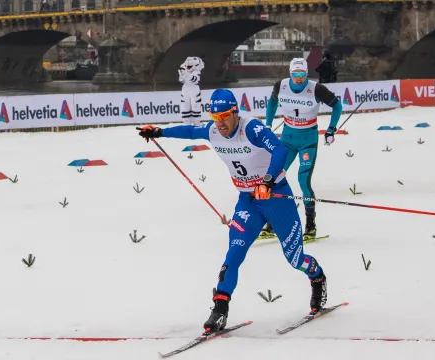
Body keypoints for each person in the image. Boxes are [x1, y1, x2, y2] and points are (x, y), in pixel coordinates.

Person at [137, 89, 327, 332]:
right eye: (215, 117)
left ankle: (317, 278)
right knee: (233, 254)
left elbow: (280, 149)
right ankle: (220, 309)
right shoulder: (214, 129)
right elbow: (191, 131)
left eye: (225, 116)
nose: (221, 122)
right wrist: (159, 132)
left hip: (276, 197)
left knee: (295, 259)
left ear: (235, 112)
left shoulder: (251, 129)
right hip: (248, 202)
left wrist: (267, 180)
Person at [260, 57, 342, 240]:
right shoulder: (280, 86)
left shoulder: (316, 89)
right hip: (288, 138)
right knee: (274, 177)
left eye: (302, 74)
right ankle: (271, 223)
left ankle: (310, 225)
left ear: (307, 73)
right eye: (295, 74)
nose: (299, 78)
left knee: (303, 180)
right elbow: (272, 102)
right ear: (290, 73)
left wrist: (331, 129)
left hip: (308, 139)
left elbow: (337, 106)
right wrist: (268, 125)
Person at [178, 56, 205, 126]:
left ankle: (197, 123)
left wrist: (187, 75)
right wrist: (181, 75)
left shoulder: (197, 71)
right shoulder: (184, 70)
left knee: (195, 106)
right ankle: (187, 123)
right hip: (185, 90)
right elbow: (181, 80)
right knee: (185, 107)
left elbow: (195, 79)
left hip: (194, 90)